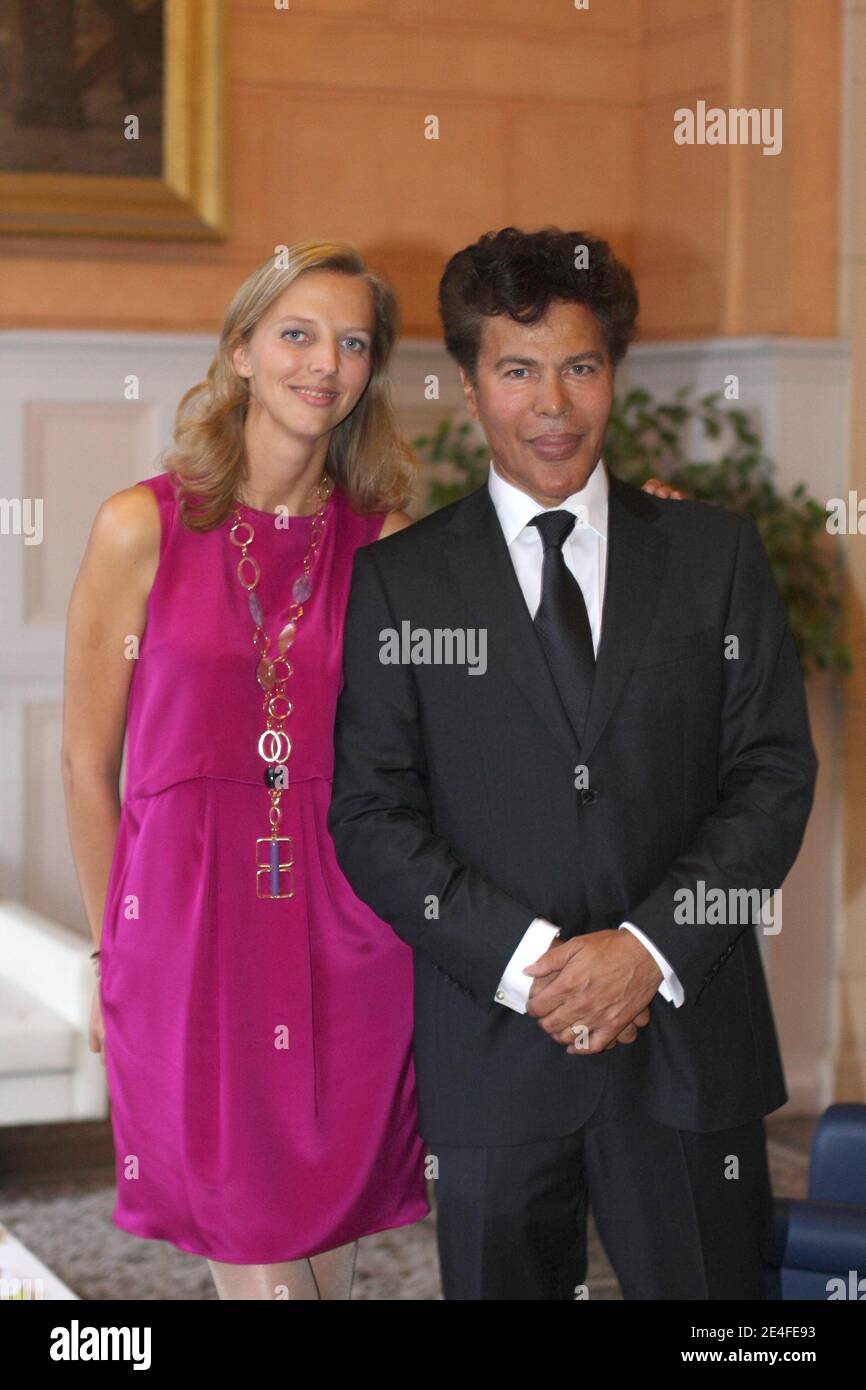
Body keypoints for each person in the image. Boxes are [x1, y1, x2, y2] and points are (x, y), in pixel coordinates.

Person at [327, 225, 819, 1300]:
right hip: (494, 1054)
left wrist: (645, 948)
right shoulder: (401, 584)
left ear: (612, 377)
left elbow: (772, 777)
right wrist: (534, 965)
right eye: (515, 368)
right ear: (467, 384)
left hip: (688, 1048)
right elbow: (370, 814)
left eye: (579, 365)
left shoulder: (712, 556)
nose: (551, 404)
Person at [61, 242, 430, 1301]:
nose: (325, 362)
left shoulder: (387, 542)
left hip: (346, 927)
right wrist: (111, 945)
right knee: (261, 1262)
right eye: (298, 333)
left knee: (323, 1253)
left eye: (352, 342)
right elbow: (87, 763)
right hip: (187, 926)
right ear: (240, 352)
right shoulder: (140, 527)